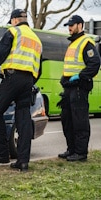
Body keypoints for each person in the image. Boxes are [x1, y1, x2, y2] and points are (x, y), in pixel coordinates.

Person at [0, 8, 42, 172]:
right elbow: (38, 67)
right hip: (28, 81)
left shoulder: (13, 32)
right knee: (24, 119)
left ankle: (1, 154)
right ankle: (23, 161)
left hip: (12, 79)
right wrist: (30, 80)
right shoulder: (36, 39)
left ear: (14, 20)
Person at [57, 15, 100, 162]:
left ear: (80, 25)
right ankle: (72, 149)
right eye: (68, 25)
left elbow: (94, 64)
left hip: (79, 87)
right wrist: (65, 79)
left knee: (79, 120)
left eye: (72, 25)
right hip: (69, 87)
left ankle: (81, 153)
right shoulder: (73, 43)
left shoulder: (86, 43)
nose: (69, 27)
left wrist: (80, 76)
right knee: (67, 119)